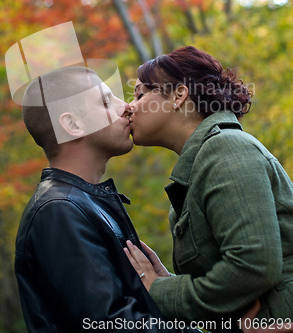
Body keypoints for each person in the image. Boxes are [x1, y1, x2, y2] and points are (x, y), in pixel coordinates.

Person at [124, 46, 293, 326]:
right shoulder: (206, 160)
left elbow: (254, 267)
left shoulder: (227, 150)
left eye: (141, 94)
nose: (130, 106)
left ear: (179, 95)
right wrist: (170, 281)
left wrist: (161, 290)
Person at [15, 65, 186, 332]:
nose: (127, 107)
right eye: (106, 101)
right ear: (72, 124)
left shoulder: (78, 204)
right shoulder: (58, 211)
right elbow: (110, 324)